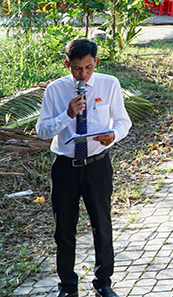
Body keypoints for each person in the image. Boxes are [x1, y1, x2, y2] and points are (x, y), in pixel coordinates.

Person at [37, 39, 132, 297]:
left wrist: (113, 135)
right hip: (65, 167)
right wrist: (67, 114)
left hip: (97, 165)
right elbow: (42, 130)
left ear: (96, 62)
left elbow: (123, 121)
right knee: (64, 229)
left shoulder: (109, 84)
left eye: (89, 67)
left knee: (102, 225)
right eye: (77, 68)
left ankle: (103, 282)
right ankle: (68, 286)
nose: (83, 74)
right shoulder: (55, 90)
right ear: (67, 65)